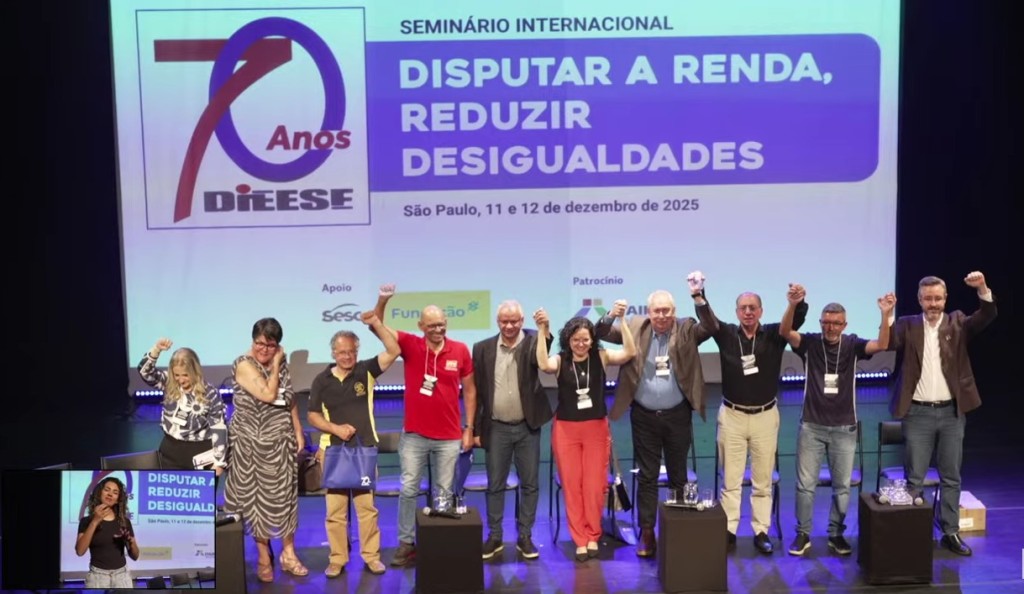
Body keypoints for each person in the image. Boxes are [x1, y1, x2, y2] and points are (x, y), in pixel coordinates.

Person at [595, 272, 718, 558]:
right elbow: (601, 333)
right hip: (644, 416)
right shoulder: (635, 327)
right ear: (649, 312)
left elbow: (711, 327)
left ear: (674, 311)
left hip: (677, 415)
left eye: (666, 311)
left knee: (678, 475)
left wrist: (698, 296)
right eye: (657, 311)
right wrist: (611, 315)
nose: (662, 316)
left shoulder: (686, 328)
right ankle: (647, 531)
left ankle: (678, 527)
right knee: (647, 476)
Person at [779, 285, 896, 556]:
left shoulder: (852, 344)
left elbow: (882, 345)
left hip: (844, 427)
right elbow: (785, 332)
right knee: (805, 486)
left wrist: (885, 314)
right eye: (826, 322)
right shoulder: (810, 343)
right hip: (811, 425)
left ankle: (836, 533)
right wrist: (792, 305)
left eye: (836, 323)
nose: (830, 327)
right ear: (820, 322)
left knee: (842, 487)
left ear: (844, 325)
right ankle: (803, 533)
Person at [887, 271, 996, 556]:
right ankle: (913, 534)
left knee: (951, 476)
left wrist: (982, 288)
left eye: (937, 298)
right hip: (918, 413)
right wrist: (886, 315)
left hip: (951, 413)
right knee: (914, 479)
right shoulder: (907, 324)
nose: (933, 304)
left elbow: (986, 316)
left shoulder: (958, 322)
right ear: (919, 300)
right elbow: (887, 343)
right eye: (928, 299)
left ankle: (950, 532)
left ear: (945, 299)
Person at [372, 284, 477, 567]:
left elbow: (470, 390)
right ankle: (406, 544)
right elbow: (376, 325)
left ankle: (439, 544)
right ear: (421, 326)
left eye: (441, 324)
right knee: (408, 490)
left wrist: (469, 428)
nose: (438, 329)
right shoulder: (410, 345)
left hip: (449, 436)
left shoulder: (460, 350)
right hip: (415, 435)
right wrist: (383, 300)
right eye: (431, 325)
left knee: (443, 493)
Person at [706, 279, 807, 554]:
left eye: (753, 307)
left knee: (763, 479)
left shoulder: (775, 333)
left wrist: (796, 303)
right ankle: (728, 530)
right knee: (731, 480)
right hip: (732, 416)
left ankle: (761, 531)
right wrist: (699, 296)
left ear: (761, 311)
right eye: (743, 308)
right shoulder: (727, 334)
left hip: (765, 416)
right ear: (737, 312)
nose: (748, 312)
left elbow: (796, 320)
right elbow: (708, 319)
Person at [536, 304, 636, 562]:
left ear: (592, 340)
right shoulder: (561, 360)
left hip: (596, 429)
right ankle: (579, 538)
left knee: (594, 486)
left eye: (585, 339)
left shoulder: (601, 356)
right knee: (572, 486)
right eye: (575, 340)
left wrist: (623, 321)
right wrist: (542, 329)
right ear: (567, 340)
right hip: (566, 431)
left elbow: (629, 352)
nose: (581, 344)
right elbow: (543, 363)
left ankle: (593, 534)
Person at [307, 311, 400, 577]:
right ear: (333, 353)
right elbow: (312, 415)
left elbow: (394, 350)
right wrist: (335, 428)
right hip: (333, 451)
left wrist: (376, 324)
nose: (347, 356)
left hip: (363, 450)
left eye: (351, 352)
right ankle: (337, 558)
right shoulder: (321, 380)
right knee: (335, 512)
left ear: (357, 352)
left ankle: (371, 556)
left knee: (366, 509)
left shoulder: (366, 371)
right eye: (342, 352)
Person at [223, 317, 307, 583]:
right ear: (253, 340)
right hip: (250, 445)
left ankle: (288, 554)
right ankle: (263, 557)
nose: (264, 349)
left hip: (280, 442)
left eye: (271, 345)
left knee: (285, 498)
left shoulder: (279, 364)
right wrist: (278, 362)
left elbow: (288, 397)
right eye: (260, 343)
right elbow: (269, 394)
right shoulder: (244, 364)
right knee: (256, 502)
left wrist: (297, 429)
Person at [472, 300, 553, 561]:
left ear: (522, 321)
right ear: (498, 322)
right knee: (495, 485)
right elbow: (478, 393)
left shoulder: (532, 341)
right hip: (496, 427)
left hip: (527, 427)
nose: (509, 326)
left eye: (514, 321)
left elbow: (545, 352)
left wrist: (544, 327)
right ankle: (495, 536)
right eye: (504, 321)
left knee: (530, 484)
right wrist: (475, 429)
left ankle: (525, 536)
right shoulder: (482, 348)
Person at [137, 339, 227, 474]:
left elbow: (219, 428)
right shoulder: (169, 383)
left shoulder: (210, 393)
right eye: (176, 375)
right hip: (170, 453)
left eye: (185, 375)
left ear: (195, 371)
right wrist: (156, 349)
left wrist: (219, 462)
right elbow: (145, 372)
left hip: (200, 455)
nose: (181, 380)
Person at [75, 477, 139, 588]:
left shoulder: (124, 522)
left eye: (115, 492)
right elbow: (80, 551)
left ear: (118, 499)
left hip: (122, 577)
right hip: (97, 578)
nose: (110, 494)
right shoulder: (86, 521)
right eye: (107, 490)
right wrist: (95, 521)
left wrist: (131, 542)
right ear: (100, 492)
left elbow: (135, 556)